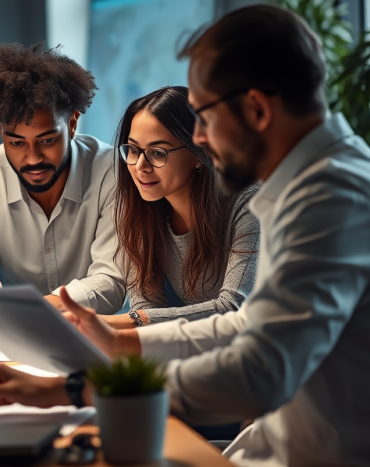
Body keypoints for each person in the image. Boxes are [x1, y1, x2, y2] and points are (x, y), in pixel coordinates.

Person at [0, 5, 370, 467]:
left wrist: (75, 384)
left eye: (204, 117)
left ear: (257, 109)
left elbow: (258, 371)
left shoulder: (333, 202)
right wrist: (117, 343)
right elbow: (248, 328)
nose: (200, 138)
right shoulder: (324, 185)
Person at [0, 41, 126, 346]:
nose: (31, 158)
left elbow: (111, 283)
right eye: (16, 143)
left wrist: (24, 312)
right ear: (1, 133)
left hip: (100, 338)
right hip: (19, 341)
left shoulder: (112, 173)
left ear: (72, 123)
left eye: (46, 140)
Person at [104, 85, 258, 329]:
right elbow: (147, 307)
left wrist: (108, 323)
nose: (139, 166)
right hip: (204, 348)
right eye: (133, 150)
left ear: (200, 153)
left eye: (157, 152)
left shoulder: (249, 205)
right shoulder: (143, 209)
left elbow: (233, 308)